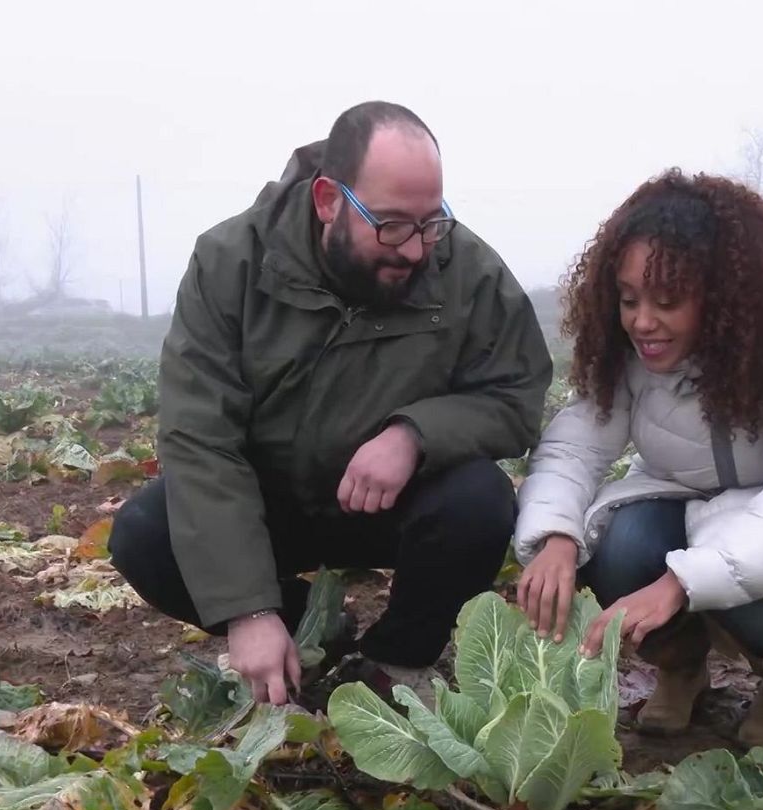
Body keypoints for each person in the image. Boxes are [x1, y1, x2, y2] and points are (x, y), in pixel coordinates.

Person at [109, 101, 552, 707]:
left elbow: (514, 393)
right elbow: (200, 438)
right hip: (271, 509)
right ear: (327, 201)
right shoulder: (229, 262)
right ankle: (309, 630)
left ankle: (396, 663)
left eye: (431, 223)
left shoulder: (467, 270)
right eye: (393, 225)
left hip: (389, 505)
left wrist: (414, 435)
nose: (417, 250)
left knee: (479, 500)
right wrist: (248, 609)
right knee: (144, 534)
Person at [511, 169, 763, 748]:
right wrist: (554, 537)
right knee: (616, 547)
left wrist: (679, 583)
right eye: (628, 299)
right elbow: (574, 449)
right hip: (674, 504)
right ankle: (680, 668)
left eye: (668, 301)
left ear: (724, 298)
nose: (642, 322)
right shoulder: (627, 364)